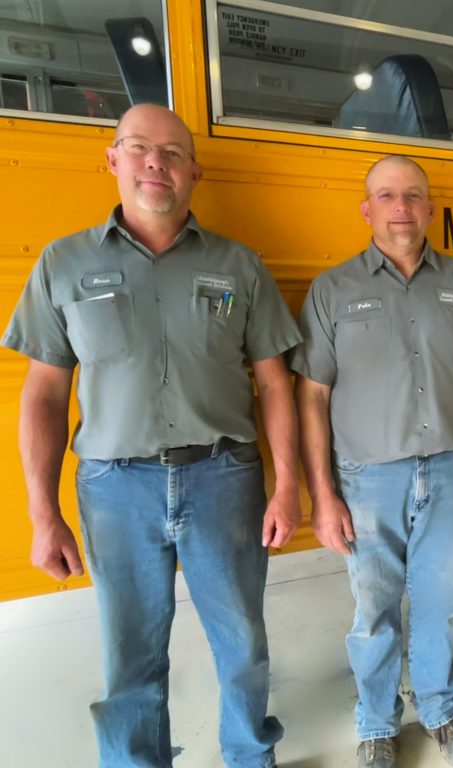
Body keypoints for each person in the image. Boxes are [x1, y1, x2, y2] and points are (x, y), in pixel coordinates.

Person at [2, 104, 302, 768]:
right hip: (115, 490)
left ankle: (251, 757)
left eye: (170, 152)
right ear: (113, 160)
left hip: (224, 478)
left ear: (193, 170)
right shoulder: (65, 264)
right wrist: (42, 512)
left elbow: (275, 383)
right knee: (130, 658)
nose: (154, 163)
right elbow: (45, 392)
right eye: (138, 148)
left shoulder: (237, 268)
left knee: (243, 644)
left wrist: (287, 486)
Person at [292, 155, 453, 768]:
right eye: (387, 196)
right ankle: (376, 723)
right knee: (375, 609)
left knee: (444, 601)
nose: (401, 208)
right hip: (365, 480)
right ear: (367, 210)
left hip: (449, 469)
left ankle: (441, 709)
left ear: (429, 208)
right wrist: (323, 493)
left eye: (413, 196)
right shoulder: (332, 290)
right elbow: (310, 395)